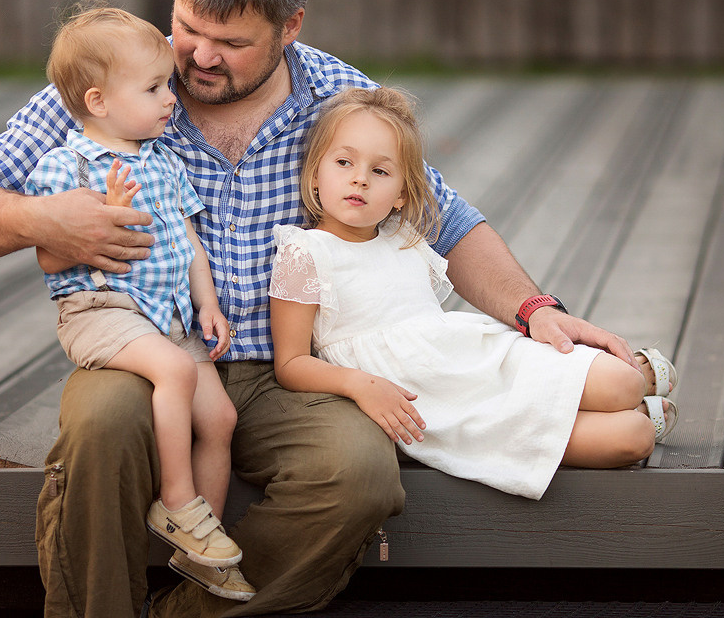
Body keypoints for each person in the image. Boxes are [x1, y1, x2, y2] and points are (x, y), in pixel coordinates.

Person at [0, 0, 641, 618]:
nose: (198, 56)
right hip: (145, 353)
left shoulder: (338, 96)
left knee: (359, 477)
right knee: (100, 430)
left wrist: (537, 311)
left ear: (290, 26)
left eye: (230, 42)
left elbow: (446, 220)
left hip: (292, 372)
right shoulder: (115, 83)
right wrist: (42, 218)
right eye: (188, 28)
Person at [269, 88, 678, 499]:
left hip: (470, 363)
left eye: (380, 171)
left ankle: (626, 388)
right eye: (344, 162)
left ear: (401, 196)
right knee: (634, 437)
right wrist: (358, 384)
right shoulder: (304, 252)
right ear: (315, 176)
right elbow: (291, 362)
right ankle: (635, 407)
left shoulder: (404, 238)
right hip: (436, 407)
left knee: (622, 383)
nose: (359, 177)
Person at [24, 3, 254, 601]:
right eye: (153, 88)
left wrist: (207, 304)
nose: (169, 99)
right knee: (175, 370)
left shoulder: (163, 161)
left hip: (171, 318)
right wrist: (106, 211)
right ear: (98, 101)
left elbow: (187, 239)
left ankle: (201, 543)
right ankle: (177, 502)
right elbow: (51, 259)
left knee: (220, 419)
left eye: (166, 86)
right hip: (101, 314)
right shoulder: (66, 167)